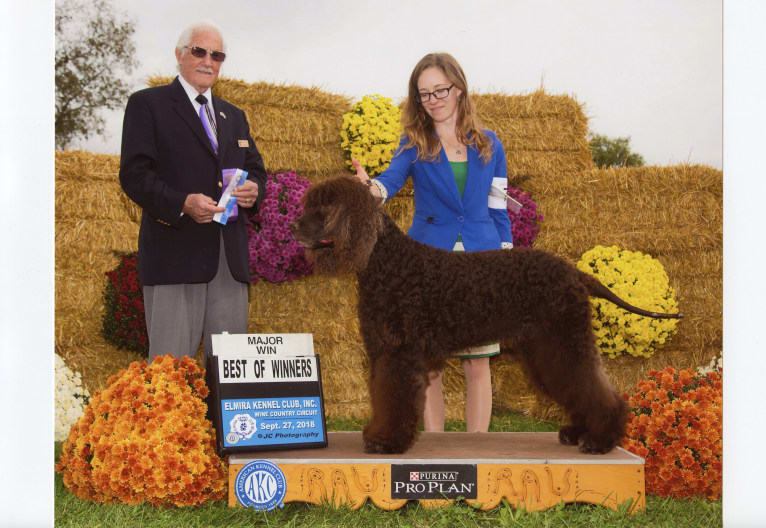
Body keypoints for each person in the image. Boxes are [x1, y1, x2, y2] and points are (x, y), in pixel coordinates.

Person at [352, 52, 513, 433]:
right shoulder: (413, 144)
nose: (433, 99)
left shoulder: (492, 145)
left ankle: (478, 450)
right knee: (429, 363)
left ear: (459, 89)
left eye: (440, 90)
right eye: (423, 94)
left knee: (478, 362)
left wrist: (505, 253)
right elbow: (388, 183)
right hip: (427, 262)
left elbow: (498, 205)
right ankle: (435, 448)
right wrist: (366, 190)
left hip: (482, 259)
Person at [119, 21, 267, 362]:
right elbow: (134, 174)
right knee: (170, 373)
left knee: (228, 375)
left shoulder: (234, 116)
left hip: (228, 263)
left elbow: (257, 169)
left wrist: (253, 190)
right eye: (199, 51)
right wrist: (182, 203)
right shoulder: (148, 105)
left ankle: (220, 420)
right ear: (179, 54)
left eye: (217, 55)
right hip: (174, 258)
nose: (208, 61)